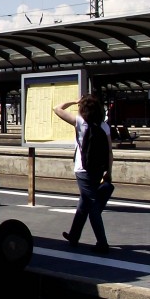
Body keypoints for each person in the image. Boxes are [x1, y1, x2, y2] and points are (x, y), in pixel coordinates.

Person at [54, 94, 113, 253]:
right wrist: (109, 171)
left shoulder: (80, 122)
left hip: (83, 170)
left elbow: (57, 109)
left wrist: (74, 101)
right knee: (83, 203)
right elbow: (109, 152)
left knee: (92, 205)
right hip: (98, 169)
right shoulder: (104, 126)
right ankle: (74, 235)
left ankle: (102, 243)